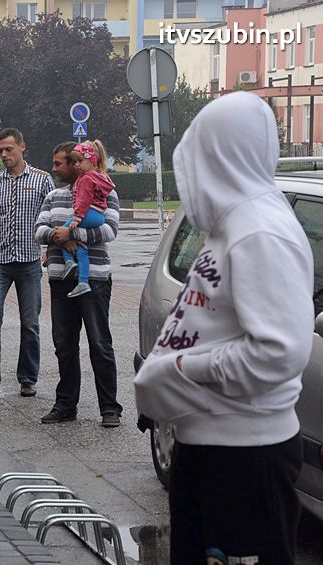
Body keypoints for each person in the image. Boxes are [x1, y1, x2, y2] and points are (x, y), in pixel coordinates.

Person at [134, 92, 314, 564]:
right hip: (210, 447)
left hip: (245, 456)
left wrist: (184, 371)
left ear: (219, 152)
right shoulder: (232, 225)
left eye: (198, 151)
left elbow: (278, 353)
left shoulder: (261, 232)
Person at [34, 141, 122, 427]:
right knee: (64, 345)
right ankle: (65, 405)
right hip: (61, 279)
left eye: (60, 163)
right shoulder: (53, 196)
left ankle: (110, 408)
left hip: (94, 280)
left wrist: (76, 235)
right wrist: (58, 236)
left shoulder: (104, 192)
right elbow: (40, 230)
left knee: (100, 344)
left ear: (75, 164)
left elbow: (110, 230)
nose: (55, 168)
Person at [0, 128, 54, 397]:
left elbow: (53, 215)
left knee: (30, 322)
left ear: (22, 147)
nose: (4, 154)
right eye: (0, 150)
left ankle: (27, 378)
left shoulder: (42, 180)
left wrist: (49, 247)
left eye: (8, 149)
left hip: (29, 261)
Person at [59, 140, 115, 298]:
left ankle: (69, 261)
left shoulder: (85, 178)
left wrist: (77, 218)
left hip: (88, 213)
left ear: (92, 161)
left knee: (62, 232)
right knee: (82, 249)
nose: (76, 165)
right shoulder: (100, 177)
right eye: (74, 161)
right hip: (97, 216)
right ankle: (83, 282)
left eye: (80, 161)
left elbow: (83, 200)